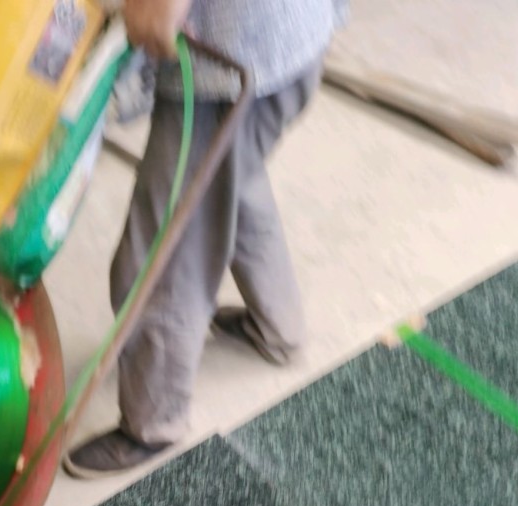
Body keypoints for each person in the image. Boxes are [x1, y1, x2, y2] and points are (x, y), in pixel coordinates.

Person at [64, 0, 348, 478]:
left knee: (165, 252)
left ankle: (152, 422)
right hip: (290, 33)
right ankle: (278, 328)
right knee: (231, 176)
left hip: (228, 61)